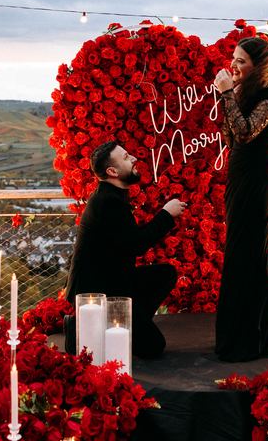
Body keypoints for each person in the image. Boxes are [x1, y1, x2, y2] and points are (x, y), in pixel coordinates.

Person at [64, 141, 187, 359]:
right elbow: (136, 244)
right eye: (126, 157)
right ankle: (79, 330)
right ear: (112, 171)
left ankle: (130, 324)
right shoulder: (108, 202)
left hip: (115, 282)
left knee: (165, 274)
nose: (134, 159)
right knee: (153, 347)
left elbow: (126, 243)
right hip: (96, 294)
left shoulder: (111, 196)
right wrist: (166, 214)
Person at [212, 36, 268, 362]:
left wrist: (228, 93)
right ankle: (233, 336)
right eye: (234, 58)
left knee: (252, 257)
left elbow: (246, 133)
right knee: (236, 254)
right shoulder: (245, 94)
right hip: (239, 179)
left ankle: (253, 340)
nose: (234, 65)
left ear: (258, 67)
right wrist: (229, 96)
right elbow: (232, 138)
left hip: (257, 183)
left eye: (241, 61)